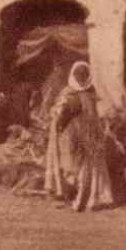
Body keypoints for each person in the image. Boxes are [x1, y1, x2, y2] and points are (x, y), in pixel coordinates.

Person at [44, 61, 115, 211]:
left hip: (78, 134)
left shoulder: (73, 94)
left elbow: (61, 115)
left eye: (83, 75)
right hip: (87, 133)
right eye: (80, 75)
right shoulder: (83, 92)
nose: (81, 78)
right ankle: (90, 197)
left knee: (80, 166)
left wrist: (57, 119)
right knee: (90, 166)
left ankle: (82, 199)